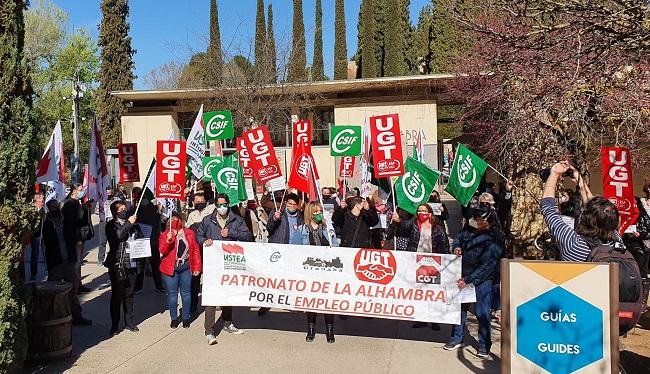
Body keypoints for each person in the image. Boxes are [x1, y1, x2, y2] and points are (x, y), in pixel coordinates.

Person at [444, 206, 503, 358]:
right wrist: (456, 246)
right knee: (459, 310)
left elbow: (487, 266)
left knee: (482, 313)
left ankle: (484, 344)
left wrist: (468, 280)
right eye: (475, 219)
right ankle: (457, 338)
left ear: (487, 221)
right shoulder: (468, 229)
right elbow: (458, 238)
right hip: (464, 274)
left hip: (483, 280)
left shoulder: (494, 238)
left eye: (479, 220)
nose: (475, 222)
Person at [196, 194, 252, 345]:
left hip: (229, 265)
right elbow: (198, 235)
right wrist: (204, 240)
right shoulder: (208, 220)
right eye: (219, 205)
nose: (222, 207)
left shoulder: (237, 220)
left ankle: (227, 323)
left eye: (224, 204)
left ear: (228, 204)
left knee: (228, 295)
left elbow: (247, 236)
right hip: (213, 266)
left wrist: (231, 233)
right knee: (212, 298)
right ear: (215, 205)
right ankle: (209, 331)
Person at [390, 203, 448, 329]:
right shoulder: (414, 224)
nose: (422, 213)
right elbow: (404, 225)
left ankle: (434, 320)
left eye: (424, 211)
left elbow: (444, 245)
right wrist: (398, 219)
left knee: (432, 293)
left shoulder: (438, 228)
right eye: (420, 211)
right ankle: (421, 318)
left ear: (430, 213)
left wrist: (447, 261)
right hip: (417, 263)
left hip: (433, 263)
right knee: (420, 292)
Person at [42, 200, 92, 326]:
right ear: (49, 208)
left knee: (72, 288)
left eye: (56, 206)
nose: (55, 208)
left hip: (69, 259)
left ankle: (77, 316)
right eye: (52, 207)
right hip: (56, 261)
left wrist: (86, 210)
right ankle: (50, 316)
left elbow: (82, 223)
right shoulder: (45, 222)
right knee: (52, 290)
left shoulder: (66, 220)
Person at [299, 201, 336, 343]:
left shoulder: (326, 227)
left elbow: (335, 245)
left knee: (328, 301)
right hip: (310, 271)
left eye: (320, 211)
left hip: (326, 270)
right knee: (312, 301)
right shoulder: (303, 229)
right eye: (315, 212)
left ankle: (330, 330)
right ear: (310, 213)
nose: (318, 214)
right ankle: (311, 329)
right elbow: (297, 249)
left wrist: (328, 232)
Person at [159, 213, 202, 328]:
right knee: (172, 295)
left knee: (186, 293)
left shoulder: (189, 233)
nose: (174, 220)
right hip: (170, 267)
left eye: (176, 218)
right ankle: (173, 318)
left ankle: (186, 318)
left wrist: (197, 266)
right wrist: (169, 239)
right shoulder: (165, 234)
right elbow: (162, 250)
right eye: (172, 218)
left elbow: (195, 251)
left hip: (185, 266)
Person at [105, 200, 140, 336]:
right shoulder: (111, 225)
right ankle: (115, 324)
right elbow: (118, 236)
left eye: (125, 208)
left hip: (132, 263)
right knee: (117, 295)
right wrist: (129, 223)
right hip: (118, 264)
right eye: (120, 209)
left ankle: (129, 321)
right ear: (115, 212)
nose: (124, 211)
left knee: (129, 294)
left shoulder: (133, 224)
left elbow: (140, 238)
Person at [131, 187, 164, 293]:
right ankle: (140, 286)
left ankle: (157, 285)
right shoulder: (135, 210)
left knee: (153, 265)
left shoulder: (154, 209)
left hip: (152, 241)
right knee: (141, 266)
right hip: (142, 242)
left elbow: (161, 222)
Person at [61, 183, 93, 293]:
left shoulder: (77, 203)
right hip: (74, 238)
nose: (82, 191)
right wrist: (76, 239)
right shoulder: (69, 204)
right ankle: (73, 285)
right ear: (74, 191)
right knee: (75, 263)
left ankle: (78, 283)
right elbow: (71, 223)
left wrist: (85, 209)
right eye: (80, 189)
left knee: (78, 263)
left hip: (80, 237)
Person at [185, 192, 214, 313]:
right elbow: (187, 231)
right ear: (193, 203)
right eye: (197, 202)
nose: (200, 204)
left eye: (202, 201)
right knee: (195, 279)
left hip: (209, 250)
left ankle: (212, 302)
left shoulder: (212, 211)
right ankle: (193, 304)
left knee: (210, 278)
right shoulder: (191, 215)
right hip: (196, 251)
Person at [623, 197, 650, 279]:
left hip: (640, 247)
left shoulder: (643, 216)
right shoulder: (623, 215)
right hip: (625, 246)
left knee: (641, 273)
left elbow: (649, 232)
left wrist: (640, 234)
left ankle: (643, 290)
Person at [98, 187, 117, 266]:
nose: (108, 195)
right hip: (104, 222)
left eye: (110, 193)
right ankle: (100, 259)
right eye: (107, 193)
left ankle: (115, 258)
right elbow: (97, 211)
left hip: (114, 222)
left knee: (114, 241)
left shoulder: (116, 199)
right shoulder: (101, 200)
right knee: (102, 241)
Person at [29, 192, 45, 280]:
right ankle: (33, 273)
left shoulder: (43, 210)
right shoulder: (32, 210)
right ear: (37, 200)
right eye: (41, 200)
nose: (43, 202)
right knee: (35, 254)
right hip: (36, 235)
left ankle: (48, 268)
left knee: (46, 252)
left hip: (44, 235)